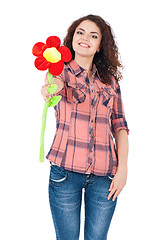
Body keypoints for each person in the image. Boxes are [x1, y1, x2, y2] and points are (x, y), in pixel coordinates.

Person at [41, 14, 129, 240]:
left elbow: (119, 125)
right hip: (65, 174)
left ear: (100, 45)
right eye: (80, 32)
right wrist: (51, 89)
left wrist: (123, 169)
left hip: (104, 176)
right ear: (72, 38)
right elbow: (52, 88)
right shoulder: (58, 72)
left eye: (93, 35)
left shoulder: (110, 82)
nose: (85, 38)